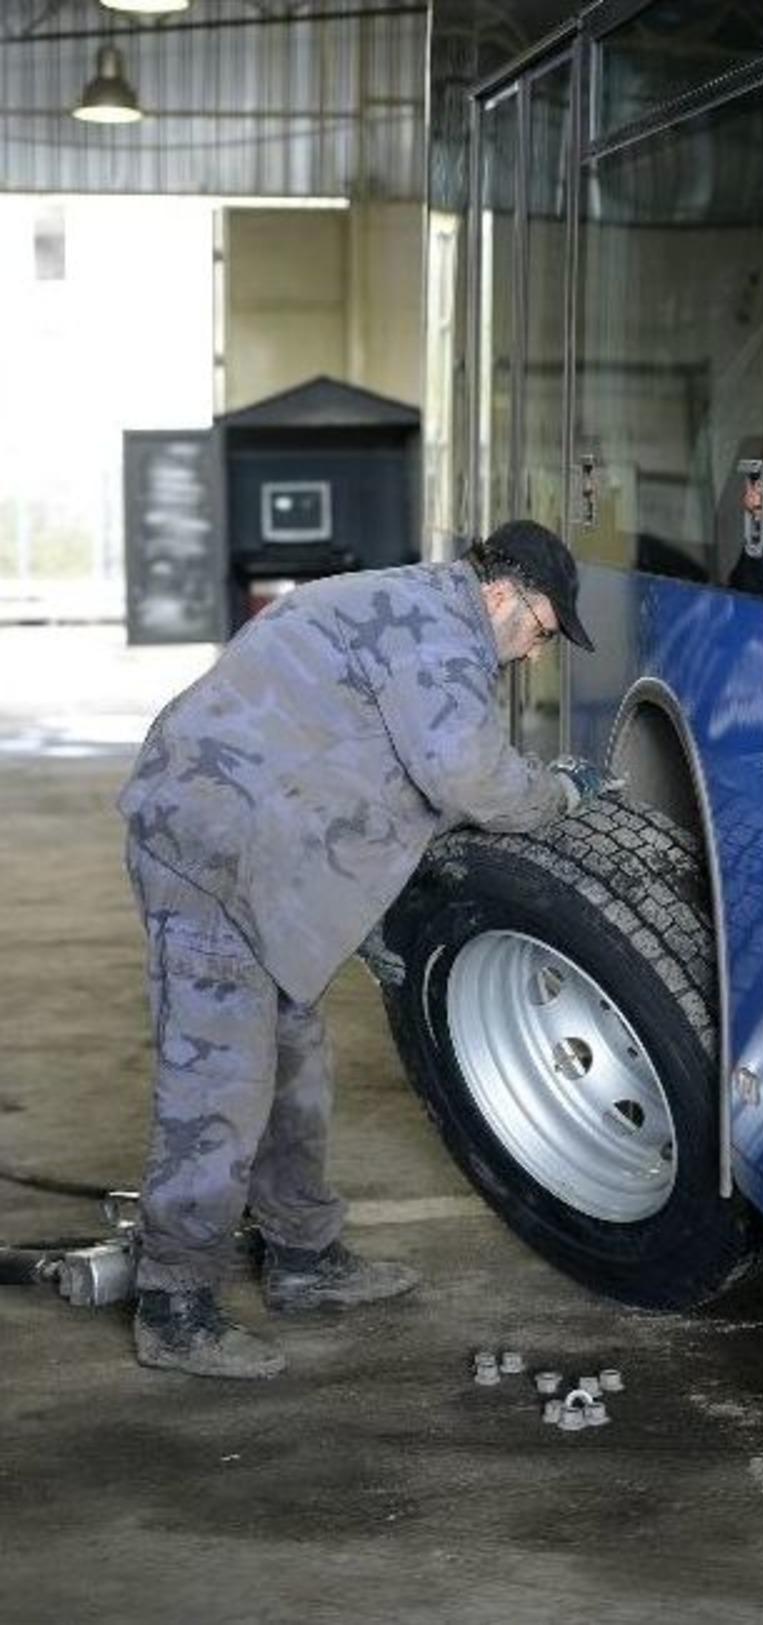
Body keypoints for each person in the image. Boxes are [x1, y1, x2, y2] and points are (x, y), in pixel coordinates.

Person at [118, 519, 603, 1379]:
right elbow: (469, 777)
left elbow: (360, 769)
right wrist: (560, 794)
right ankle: (176, 1302)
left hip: (259, 844)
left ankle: (303, 1257)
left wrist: (367, 914)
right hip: (211, 842)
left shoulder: (417, 607)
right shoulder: (437, 629)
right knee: (220, 1078)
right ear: (504, 595)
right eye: (541, 629)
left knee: (297, 1062)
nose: (534, 652)